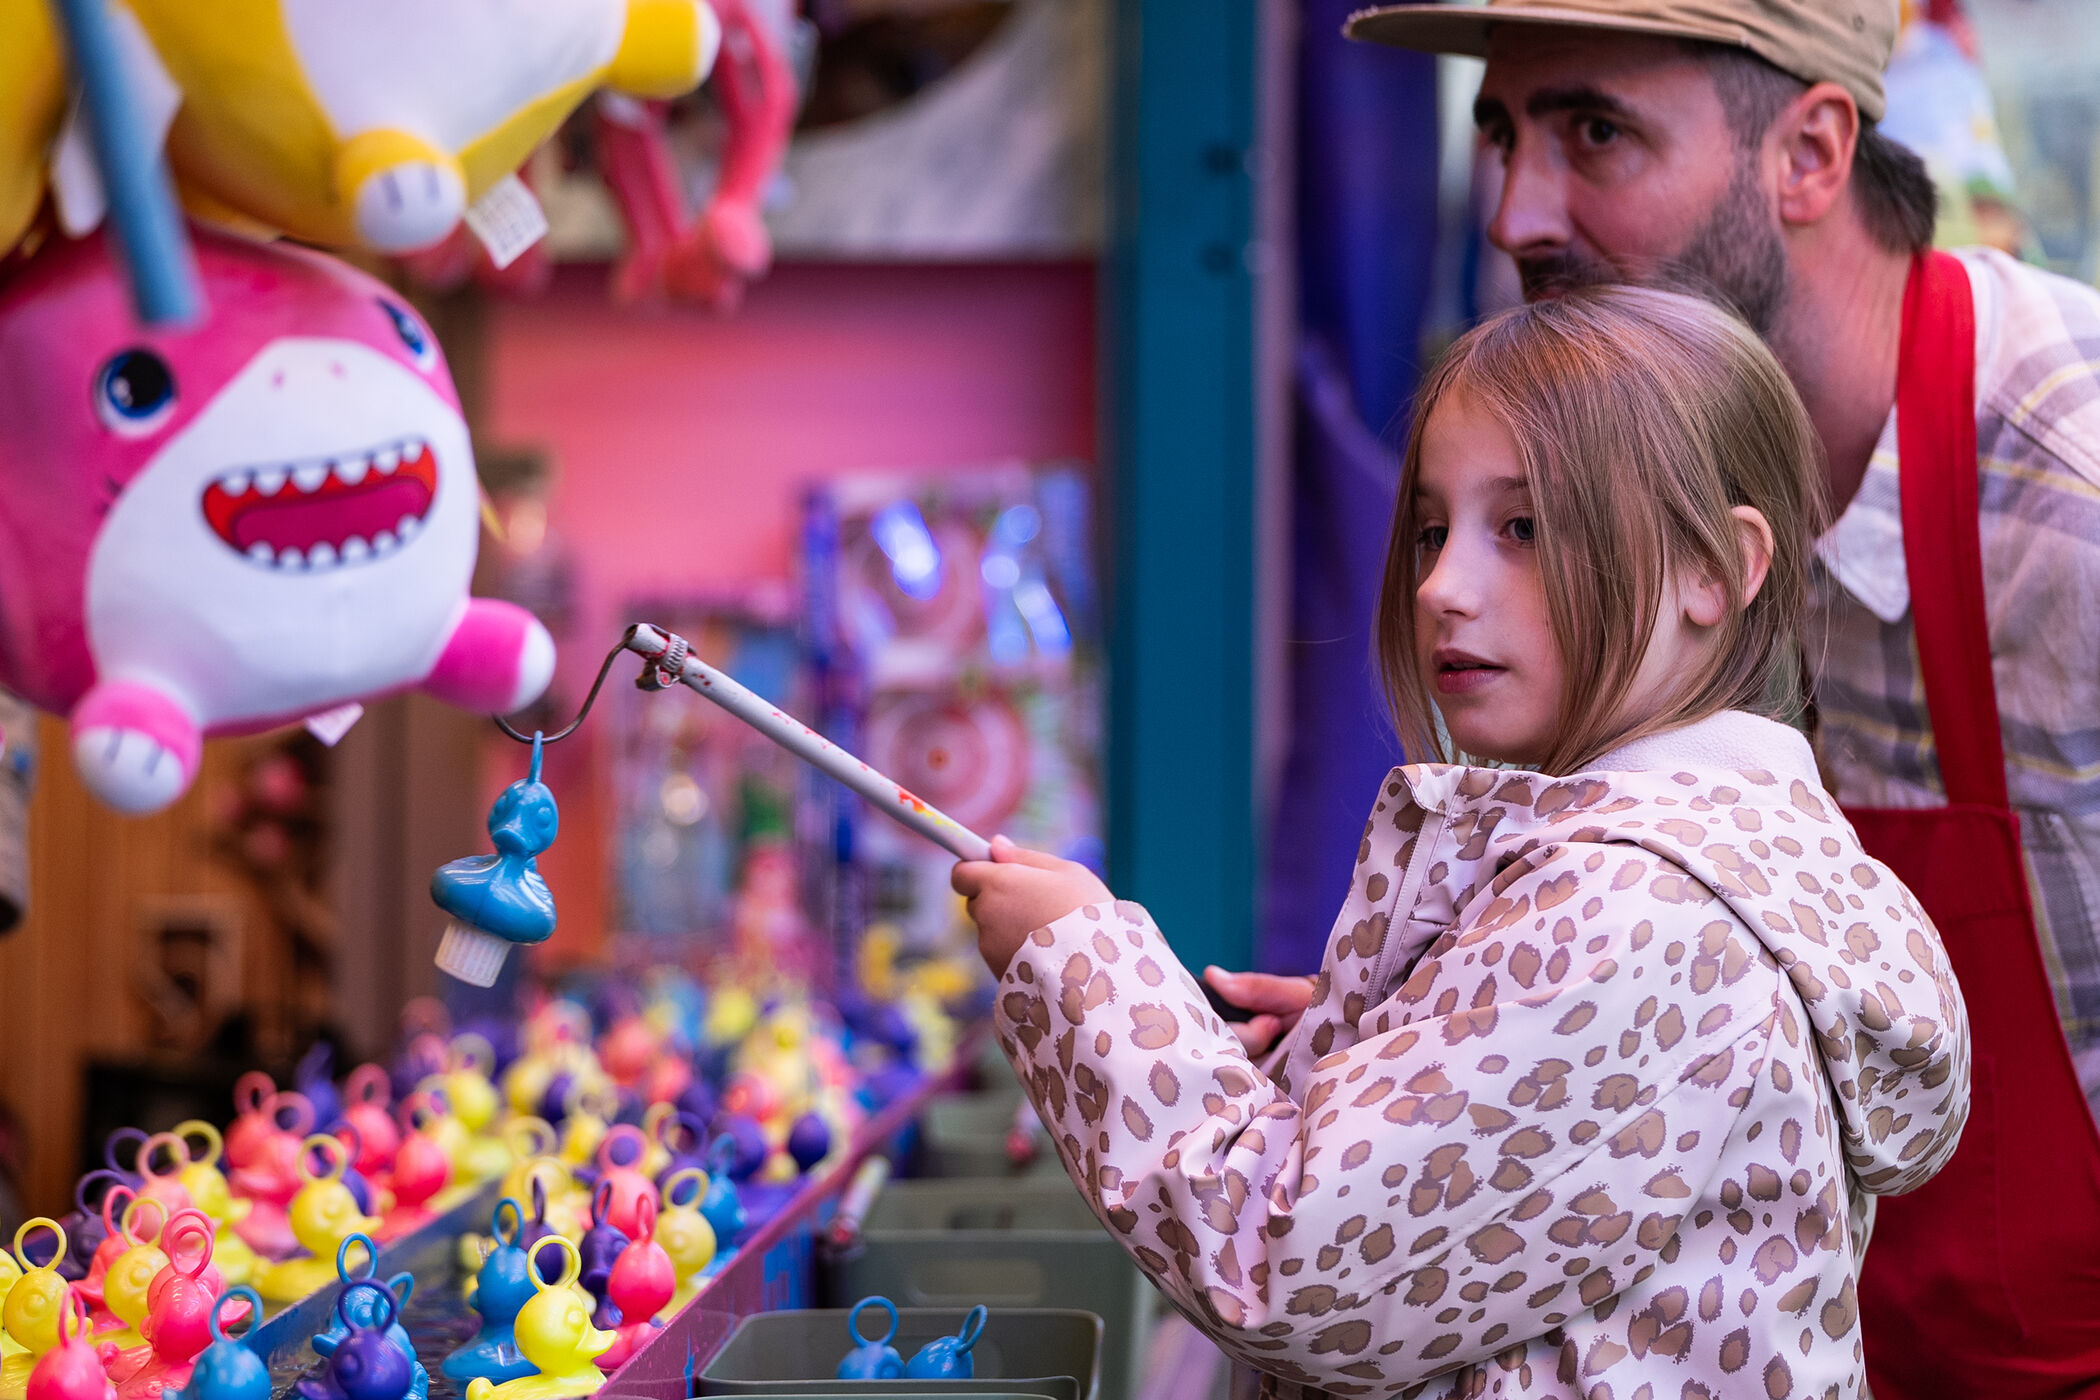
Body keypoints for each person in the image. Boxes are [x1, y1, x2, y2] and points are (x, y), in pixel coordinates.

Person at [1260, 4, 2100, 1392]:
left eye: (1595, 131)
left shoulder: (2065, 504)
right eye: (1499, 132)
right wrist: (1453, 1049)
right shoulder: (1620, 507)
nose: (1519, 213)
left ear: (1811, 153)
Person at [955, 285, 1968, 1398]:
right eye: (1434, 526)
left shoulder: (1633, 913)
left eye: (1524, 527)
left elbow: (1289, 1266)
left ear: (1713, 571)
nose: (1441, 584)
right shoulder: (1711, 868)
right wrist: (1410, 1036)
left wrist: (1078, 967)